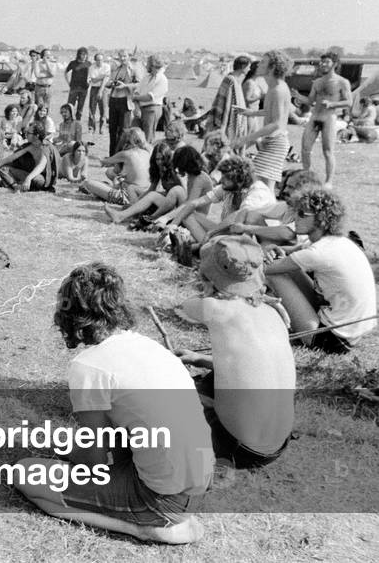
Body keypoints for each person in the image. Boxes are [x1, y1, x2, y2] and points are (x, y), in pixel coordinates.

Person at [13, 262, 211, 545]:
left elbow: (93, 462)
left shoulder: (88, 367)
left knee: (24, 472)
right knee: (70, 448)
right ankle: (152, 512)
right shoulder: (149, 346)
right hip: (199, 480)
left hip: (161, 499)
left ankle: (145, 527)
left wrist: (72, 459)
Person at [174, 236, 295, 469]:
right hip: (277, 447)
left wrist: (208, 289)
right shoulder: (273, 313)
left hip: (234, 447)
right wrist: (200, 359)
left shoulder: (213, 308)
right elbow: (250, 367)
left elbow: (187, 305)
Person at [264, 188, 376, 353]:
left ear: (322, 219)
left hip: (332, 339)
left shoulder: (318, 252)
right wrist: (276, 248)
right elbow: (294, 252)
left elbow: (265, 268)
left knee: (276, 274)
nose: (295, 218)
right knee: (289, 267)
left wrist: (254, 254)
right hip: (351, 332)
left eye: (302, 214)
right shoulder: (336, 242)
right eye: (295, 211)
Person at [158, 156, 275, 245]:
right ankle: (207, 246)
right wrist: (172, 225)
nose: (221, 180)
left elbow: (238, 219)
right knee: (188, 213)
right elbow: (194, 203)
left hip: (257, 239)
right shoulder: (229, 187)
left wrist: (212, 232)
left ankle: (206, 246)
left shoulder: (258, 193)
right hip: (229, 232)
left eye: (226, 177)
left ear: (239, 180)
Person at [232, 50, 292, 191]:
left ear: (272, 68)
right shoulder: (275, 87)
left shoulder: (278, 90)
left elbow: (276, 123)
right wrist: (251, 113)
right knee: (261, 186)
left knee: (263, 187)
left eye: (263, 62)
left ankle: (269, 212)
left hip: (275, 143)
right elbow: (273, 112)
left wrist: (246, 138)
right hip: (273, 142)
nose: (259, 64)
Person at [300, 51, 350, 187]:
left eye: (326, 62)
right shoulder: (317, 82)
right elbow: (310, 100)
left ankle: (329, 181)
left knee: (328, 151)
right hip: (314, 116)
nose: (322, 64)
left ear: (334, 64)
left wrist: (332, 104)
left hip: (329, 118)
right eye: (321, 62)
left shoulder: (342, 82)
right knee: (305, 148)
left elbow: (349, 102)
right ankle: (307, 175)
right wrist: (298, 97)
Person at [81, 127, 151, 205]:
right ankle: (107, 186)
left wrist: (95, 157)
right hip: (145, 193)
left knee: (88, 183)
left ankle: (105, 188)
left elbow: (105, 162)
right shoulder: (147, 152)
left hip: (127, 196)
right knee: (110, 172)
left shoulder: (126, 154)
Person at [190, 56, 250, 146]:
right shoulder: (230, 80)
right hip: (226, 122)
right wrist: (223, 126)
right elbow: (225, 104)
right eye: (248, 67)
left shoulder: (235, 80)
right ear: (243, 67)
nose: (249, 69)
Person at [0, 124, 58, 192]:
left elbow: (40, 166)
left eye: (28, 133)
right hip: (29, 174)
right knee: (4, 169)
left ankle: (10, 183)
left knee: (37, 180)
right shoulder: (30, 146)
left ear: (37, 136)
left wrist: (28, 178)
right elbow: (11, 158)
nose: (26, 134)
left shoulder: (46, 147)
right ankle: (16, 186)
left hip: (40, 178)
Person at [121, 54, 168, 145]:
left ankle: (147, 157)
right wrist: (137, 106)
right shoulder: (147, 77)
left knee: (147, 137)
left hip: (152, 109)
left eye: (148, 63)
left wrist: (135, 98)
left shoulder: (162, 79)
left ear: (153, 65)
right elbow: (137, 91)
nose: (146, 65)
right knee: (133, 134)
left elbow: (149, 97)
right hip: (140, 108)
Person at [105, 50, 139, 153]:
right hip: (114, 100)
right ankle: (112, 155)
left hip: (125, 101)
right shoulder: (116, 69)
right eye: (120, 56)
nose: (122, 58)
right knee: (112, 130)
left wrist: (125, 86)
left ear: (129, 56)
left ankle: (121, 155)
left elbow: (138, 84)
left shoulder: (133, 70)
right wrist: (111, 84)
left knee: (124, 131)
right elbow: (108, 82)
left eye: (124, 56)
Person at [64, 48, 91, 122]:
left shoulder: (88, 63)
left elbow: (91, 74)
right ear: (79, 55)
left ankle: (78, 122)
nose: (84, 56)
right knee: (70, 105)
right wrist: (68, 82)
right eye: (82, 54)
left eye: (85, 54)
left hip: (84, 88)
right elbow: (65, 72)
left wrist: (89, 81)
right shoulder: (73, 63)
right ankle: (68, 121)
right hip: (74, 87)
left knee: (80, 107)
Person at [86, 52, 111, 133]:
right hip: (94, 88)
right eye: (97, 60)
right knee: (92, 108)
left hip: (104, 89)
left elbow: (106, 79)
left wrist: (100, 90)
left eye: (101, 60)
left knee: (103, 108)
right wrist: (102, 76)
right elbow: (92, 79)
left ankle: (102, 127)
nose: (99, 61)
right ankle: (91, 127)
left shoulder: (107, 66)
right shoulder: (92, 67)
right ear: (95, 60)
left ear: (103, 60)